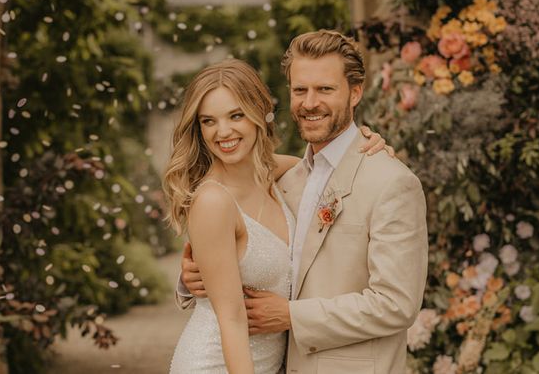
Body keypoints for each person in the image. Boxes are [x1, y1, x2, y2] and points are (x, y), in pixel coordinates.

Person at [178, 31, 429, 374]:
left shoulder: (390, 182)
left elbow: (397, 304)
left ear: (355, 93)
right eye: (300, 90)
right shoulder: (289, 178)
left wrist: (291, 315)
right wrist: (195, 275)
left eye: (325, 89)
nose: (310, 103)